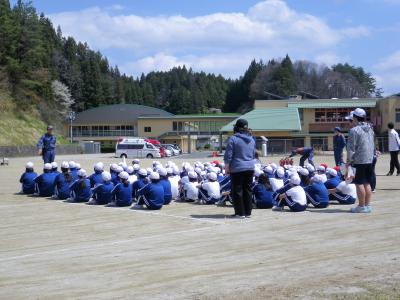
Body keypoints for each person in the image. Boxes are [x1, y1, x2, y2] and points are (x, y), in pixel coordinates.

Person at [224, 119, 256, 219]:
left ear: (236, 128)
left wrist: (227, 167)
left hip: (238, 168)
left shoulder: (233, 139)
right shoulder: (251, 139)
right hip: (250, 167)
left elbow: (228, 155)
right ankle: (247, 212)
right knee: (248, 190)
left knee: (237, 190)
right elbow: (253, 154)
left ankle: (240, 213)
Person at [346, 108, 375, 213]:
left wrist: (349, 161)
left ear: (355, 117)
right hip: (369, 159)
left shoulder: (354, 130)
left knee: (359, 183)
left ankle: (361, 206)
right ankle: (367, 206)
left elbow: (351, 148)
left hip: (359, 160)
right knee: (367, 183)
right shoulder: (370, 128)